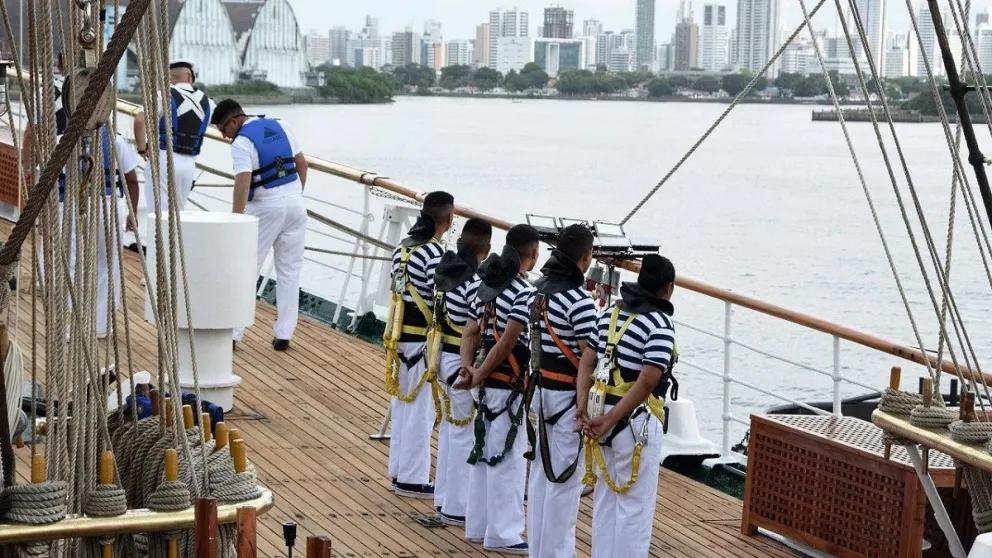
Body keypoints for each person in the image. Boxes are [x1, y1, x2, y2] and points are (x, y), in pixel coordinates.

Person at [576, 254, 679, 558]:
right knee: (635, 506)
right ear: (668, 288)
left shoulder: (609, 313)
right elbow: (647, 382)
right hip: (634, 422)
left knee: (606, 499)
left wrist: (583, 406)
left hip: (599, 412)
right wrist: (610, 420)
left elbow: (587, 362)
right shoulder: (660, 323)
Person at [454, 224, 540, 556]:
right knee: (508, 459)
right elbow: (508, 341)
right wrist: (479, 373)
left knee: (481, 454)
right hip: (506, 384)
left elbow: (472, 330)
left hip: (483, 382)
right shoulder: (523, 292)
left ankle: (477, 526)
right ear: (532, 255)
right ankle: (504, 532)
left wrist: (469, 368)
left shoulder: (489, 285)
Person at [210, 99, 308, 351]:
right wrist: (296, 194)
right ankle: (284, 334)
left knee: (246, 268)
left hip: (266, 206)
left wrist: (236, 218)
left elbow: (242, 183)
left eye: (223, 130)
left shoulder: (242, 143)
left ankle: (233, 333)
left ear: (234, 121)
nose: (224, 136)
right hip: (296, 204)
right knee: (289, 271)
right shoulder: (281, 125)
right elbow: (301, 164)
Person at [526, 224, 597, 558]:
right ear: (585, 257)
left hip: (541, 393)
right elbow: (588, 358)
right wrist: (585, 406)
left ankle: (539, 549)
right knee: (565, 483)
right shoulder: (580, 302)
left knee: (542, 474)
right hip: (569, 399)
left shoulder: (537, 292)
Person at [384, 191, 453, 499]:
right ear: (449, 220)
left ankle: (400, 469)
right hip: (422, 342)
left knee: (403, 405)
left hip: (399, 338)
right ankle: (412, 478)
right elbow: (442, 299)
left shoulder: (403, 248)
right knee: (420, 410)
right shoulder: (434, 253)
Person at [430, 218, 493, 526]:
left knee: (450, 430)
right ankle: (456, 506)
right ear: (487, 249)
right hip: (461, 361)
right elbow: (477, 326)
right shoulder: (475, 282)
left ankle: (443, 496)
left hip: (439, 356)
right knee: (463, 434)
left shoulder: (444, 269)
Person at [133, 60, 214, 213]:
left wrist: (142, 149)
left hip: (163, 158)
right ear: (189, 76)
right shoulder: (207, 101)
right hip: (189, 163)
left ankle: (160, 237)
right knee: (179, 212)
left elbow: (140, 121)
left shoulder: (162, 95)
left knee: (158, 213)